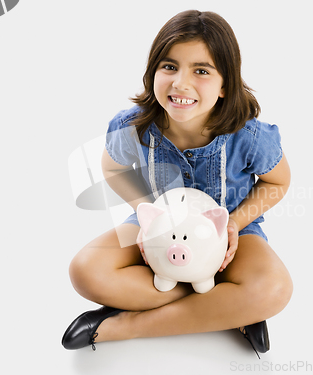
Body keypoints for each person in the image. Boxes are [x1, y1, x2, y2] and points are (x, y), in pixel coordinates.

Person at [62, 10, 293, 355]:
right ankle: (227, 306)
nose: (180, 83)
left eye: (201, 71)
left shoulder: (249, 134)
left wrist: (235, 223)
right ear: (153, 71)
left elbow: (277, 181)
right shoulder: (133, 126)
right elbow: (112, 168)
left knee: (274, 289)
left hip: (233, 232)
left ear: (225, 83)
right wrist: (144, 212)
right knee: (85, 270)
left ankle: (119, 327)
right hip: (159, 231)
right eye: (169, 67)